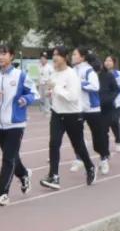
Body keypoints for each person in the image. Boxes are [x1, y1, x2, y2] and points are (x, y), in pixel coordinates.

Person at [0, 45, 38, 203]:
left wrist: (25, 99)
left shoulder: (20, 76)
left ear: (11, 56)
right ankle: (24, 174)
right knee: (12, 157)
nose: (0, 56)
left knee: (7, 159)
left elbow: (34, 93)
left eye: (4, 53)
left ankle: (2, 193)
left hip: (16, 124)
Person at [40, 46, 95, 190]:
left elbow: (72, 96)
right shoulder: (54, 73)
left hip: (72, 115)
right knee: (54, 143)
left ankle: (89, 167)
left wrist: (55, 88)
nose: (55, 58)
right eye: (53, 55)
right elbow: (55, 90)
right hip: (57, 113)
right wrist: (50, 92)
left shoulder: (71, 74)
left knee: (78, 145)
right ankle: (54, 176)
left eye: (58, 55)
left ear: (65, 57)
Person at [71, 48, 110, 175]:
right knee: (76, 135)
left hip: (92, 108)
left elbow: (95, 86)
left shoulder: (89, 71)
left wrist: (79, 84)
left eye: (74, 54)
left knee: (98, 137)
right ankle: (79, 158)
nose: (72, 56)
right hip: (77, 108)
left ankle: (104, 159)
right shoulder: (72, 71)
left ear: (82, 57)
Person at [105, 55, 120, 152]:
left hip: (118, 103)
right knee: (105, 124)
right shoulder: (101, 75)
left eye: (110, 60)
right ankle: (105, 146)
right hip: (105, 103)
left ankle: (119, 140)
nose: (107, 62)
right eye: (106, 60)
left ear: (114, 63)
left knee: (114, 120)